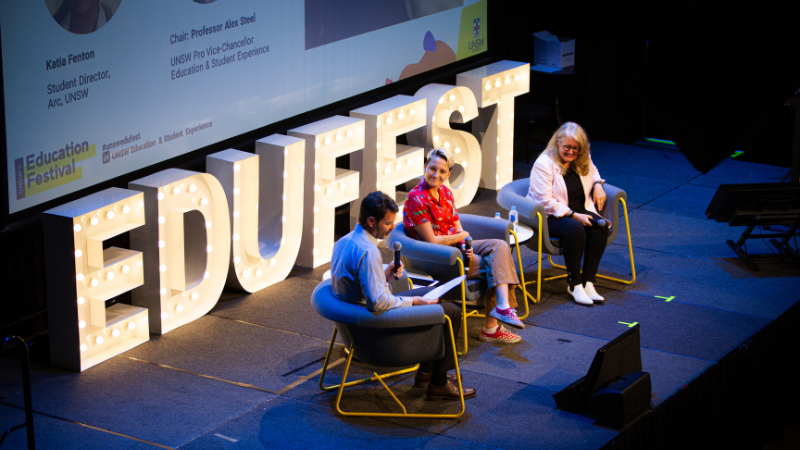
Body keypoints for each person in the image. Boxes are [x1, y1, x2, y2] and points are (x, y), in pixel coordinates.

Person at [331, 191, 476, 401]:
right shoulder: (369, 251)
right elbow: (379, 303)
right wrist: (414, 301)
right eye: (388, 223)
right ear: (372, 221)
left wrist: (384, 276)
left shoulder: (345, 241)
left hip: (359, 318)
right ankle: (439, 382)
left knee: (437, 297)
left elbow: (355, 284)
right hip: (375, 327)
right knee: (452, 313)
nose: (392, 228)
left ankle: (427, 372)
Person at [403, 148, 524, 345]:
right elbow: (432, 241)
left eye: (442, 171)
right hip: (436, 258)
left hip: (456, 249)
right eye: (432, 168)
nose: (436, 174)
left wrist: (464, 242)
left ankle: (502, 306)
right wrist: (462, 237)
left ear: (449, 174)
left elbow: (457, 227)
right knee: (493, 262)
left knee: (500, 247)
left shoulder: (446, 192)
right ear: (425, 167)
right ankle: (491, 328)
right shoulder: (416, 198)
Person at [528, 122, 611, 306]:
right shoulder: (544, 163)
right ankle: (575, 284)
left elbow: (594, 171)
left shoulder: (582, 157)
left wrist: (598, 184)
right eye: (567, 147)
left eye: (576, 148)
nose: (571, 152)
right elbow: (545, 201)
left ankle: (588, 281)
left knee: (601, 227)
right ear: (558, 143)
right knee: (575, 229)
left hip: (578, 210)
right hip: (547, 215)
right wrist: (573, 215)